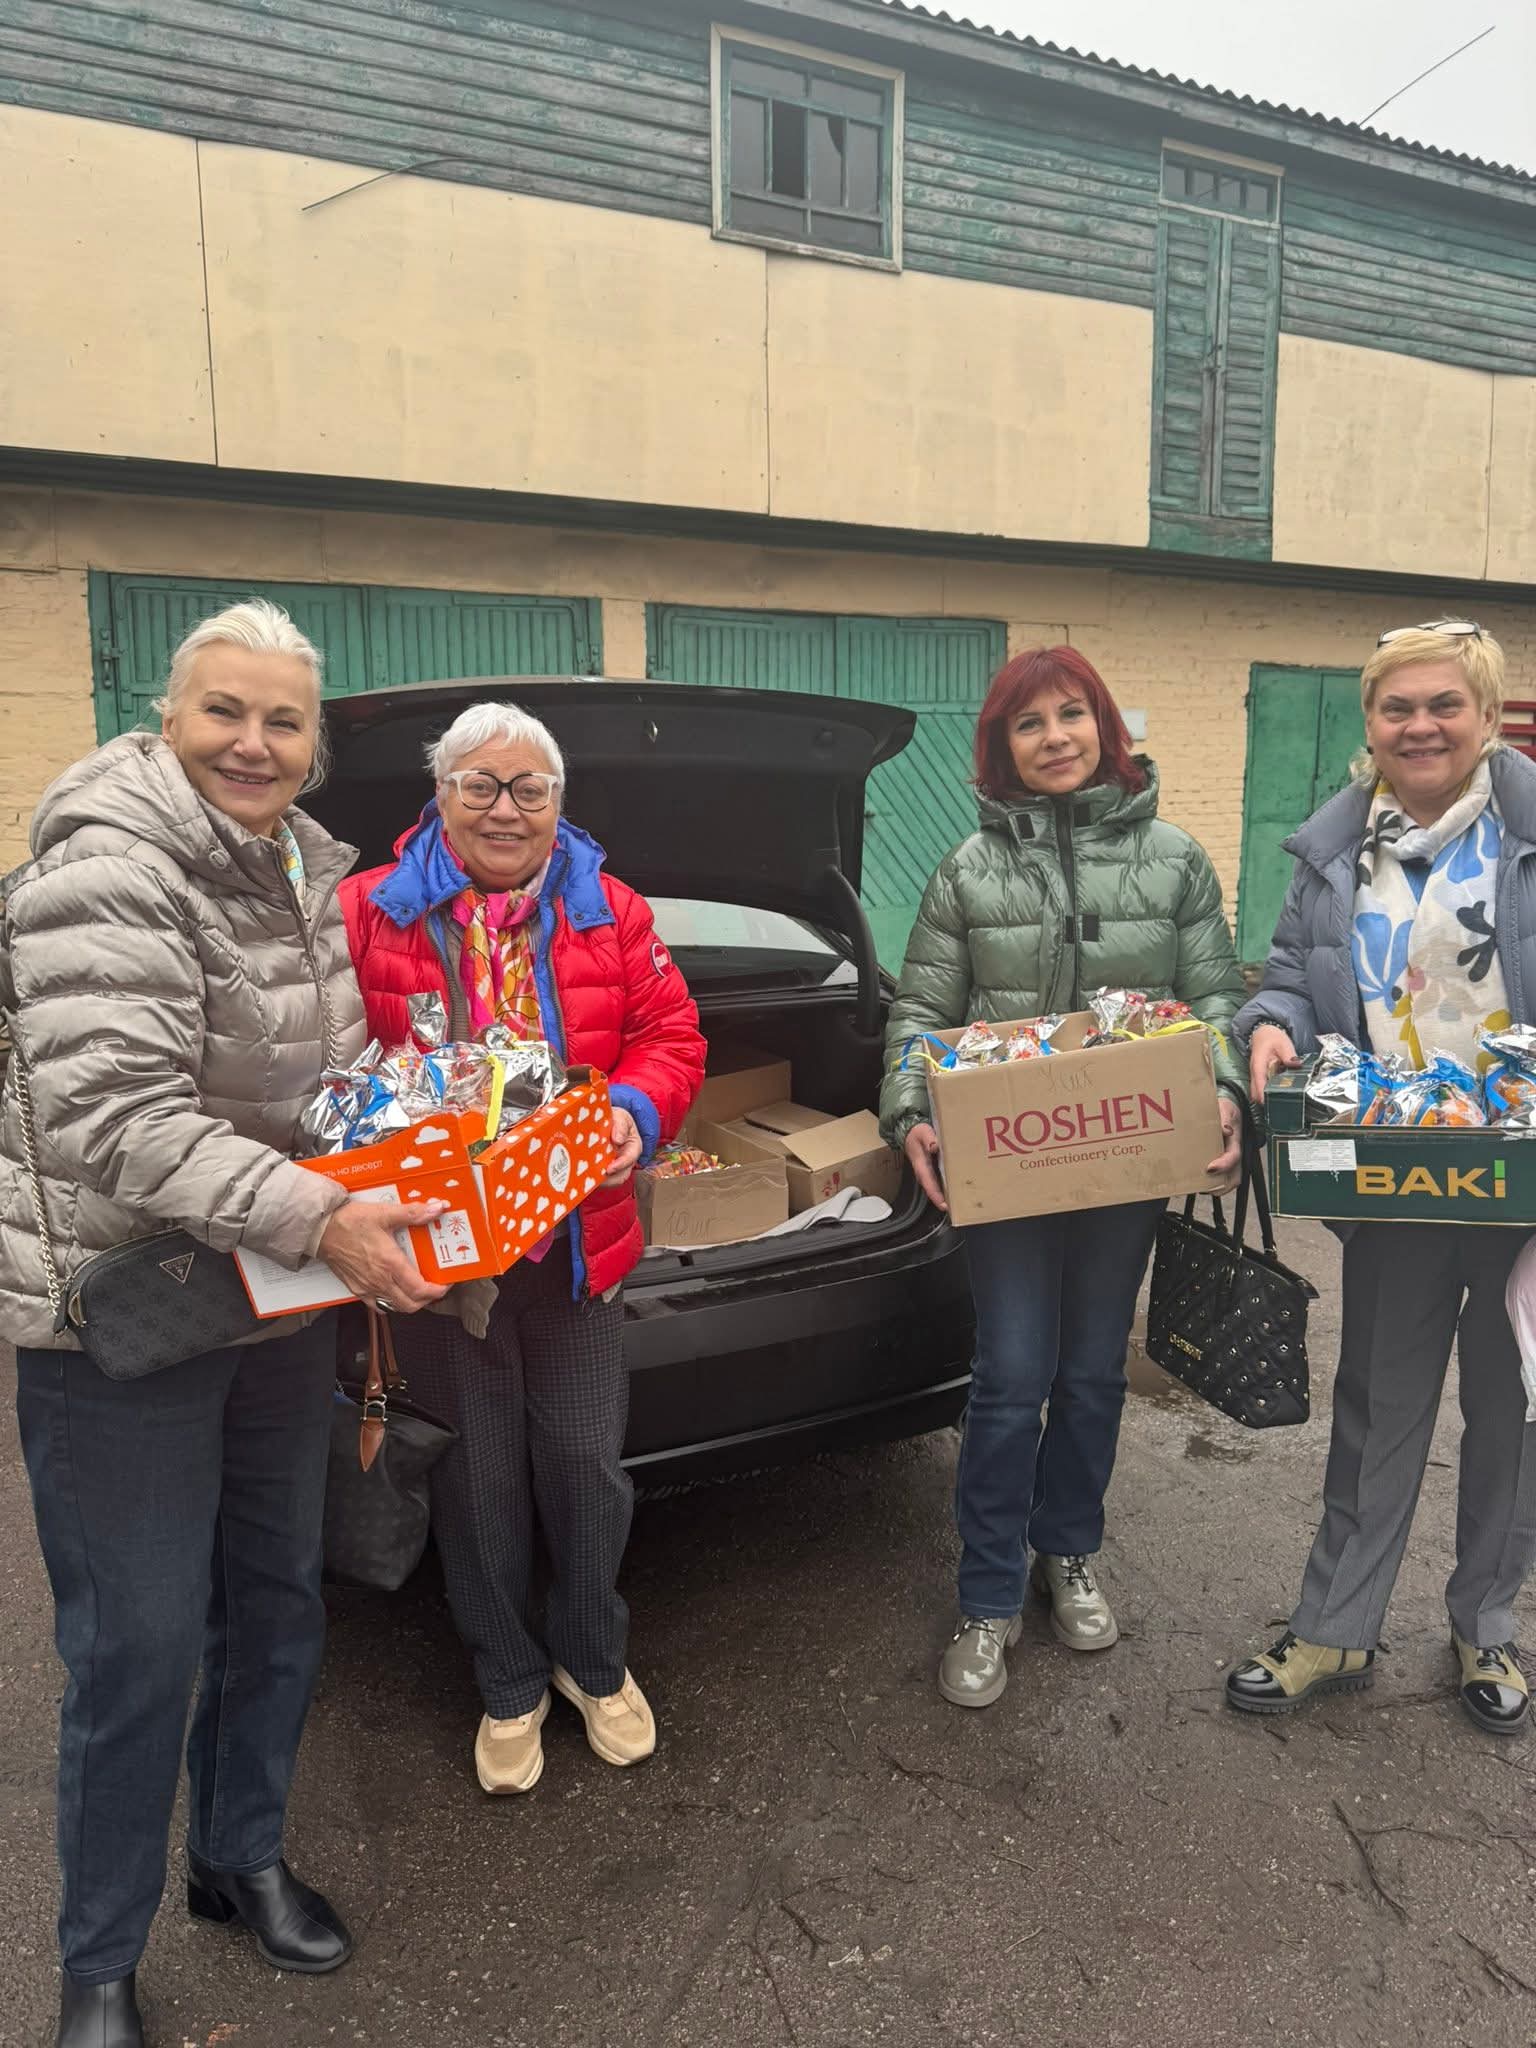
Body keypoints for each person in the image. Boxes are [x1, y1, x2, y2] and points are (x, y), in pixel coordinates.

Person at [0, 602, 449, 2048]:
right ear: (167, 715)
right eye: (225, 711)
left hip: (269, 1303)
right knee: (136, 1648)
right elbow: (116, 1115)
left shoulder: (303, 870)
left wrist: (436, 1152)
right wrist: (325, 1214)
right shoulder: (110, 864)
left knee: (275, 1600)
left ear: (314, 745)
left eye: (283, 721)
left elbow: (325, 1079)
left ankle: (237, 1855)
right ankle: (98, 1961)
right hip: (124, 1321)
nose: (254, 743)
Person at [340, 701, 705, 1794]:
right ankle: (507, 1678)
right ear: (440, 795)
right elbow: (319, 1059)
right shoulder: (366, 910)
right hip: (440, 1253)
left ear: (559, 801)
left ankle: (592, 1659)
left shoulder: (611, 910)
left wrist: (631, 1116)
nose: (506, 808)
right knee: (477, 1473)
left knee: (586, 1462)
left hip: (575, 1243)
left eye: (529, 788)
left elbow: (671, 1036)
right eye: (480, 785)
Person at [878, 646, 1246, 1710]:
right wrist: (912, 1110)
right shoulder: (966, 870)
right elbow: (921, 1013)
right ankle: (987, 1592)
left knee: (1091, 1373)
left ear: (1104, 726)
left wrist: (1224, 1087)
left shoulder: (1175, 860)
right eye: (1029, 722)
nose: (1054, 737)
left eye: (1071, 714)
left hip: (1126, 1163)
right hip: (1011, 1167)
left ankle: (1069, 1548)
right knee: (1009, 1379)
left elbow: (1216, 998)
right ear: (1003, 744)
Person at [1227, 621, 1535, 1735]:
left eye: (1444, 704)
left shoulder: (1527, 834)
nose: (1420, 725)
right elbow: (1286, 979)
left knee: (1516, 1413)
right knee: (1377, 1402)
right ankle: (1335, 1625)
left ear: (1485, 716)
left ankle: (1486, 1623)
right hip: (1392, 1172)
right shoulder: (1334, 851)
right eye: (1397, 706)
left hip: (1523, 1186)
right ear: (1371, 721)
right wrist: (1269, 1027)